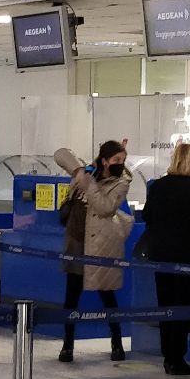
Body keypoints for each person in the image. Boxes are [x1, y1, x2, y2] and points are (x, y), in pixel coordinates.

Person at [56, 141, 132, 363]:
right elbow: (61, 153)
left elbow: (105, 208)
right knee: (71, 296)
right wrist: (80, 171)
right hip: (76, 242)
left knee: (107, 294)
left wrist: (88, 184)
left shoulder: (122, 182)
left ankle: (116, 343)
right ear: (105, 160)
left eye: (123, 160)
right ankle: (67, 345)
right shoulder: (88, 171)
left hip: (99, 245)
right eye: (116, 160)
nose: (120, 164)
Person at [141, 143, 190, 376]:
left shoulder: (159, 186)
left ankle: (168, 355)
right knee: (184, 308)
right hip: (188, 258)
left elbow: (147, 216)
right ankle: (177, 357)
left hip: (162, 256)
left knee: (166, 307)